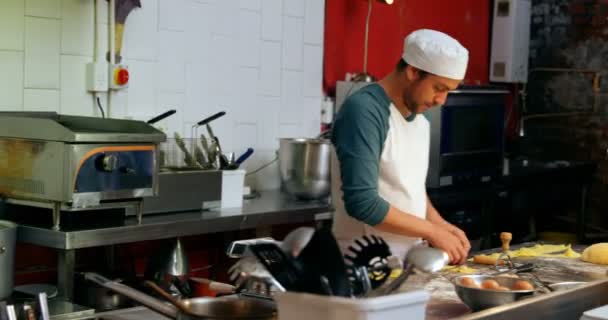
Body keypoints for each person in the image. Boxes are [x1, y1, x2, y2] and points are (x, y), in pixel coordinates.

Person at [331, 29, 471, 264]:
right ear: (413, 71)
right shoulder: (365, 111)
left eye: (449, 91)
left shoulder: (420, 118)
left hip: (407, 262)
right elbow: (363, 204)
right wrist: (432, 232)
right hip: (364, 263)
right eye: (439, 88)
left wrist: (441, 226)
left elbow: (411, 189)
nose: (441, 101)